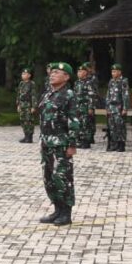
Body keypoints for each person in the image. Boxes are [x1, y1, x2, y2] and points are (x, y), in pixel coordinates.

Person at [37, 62, 80, 226]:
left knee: (63, 178)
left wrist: (72, 144)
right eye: (52, 72)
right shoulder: (48, 94)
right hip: (47, 143)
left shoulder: (69, 95)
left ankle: (66, 213)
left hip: (61, 144)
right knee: (49, 178)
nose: (52, 74)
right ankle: (57, 210)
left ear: (66, 77)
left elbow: (74, 121)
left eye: (57, 72)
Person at [105, 63, 129, 152]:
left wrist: (125, 108)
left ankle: (121, 144)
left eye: (114, 71)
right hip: (111, 107)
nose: (113, 73)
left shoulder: (123, 81)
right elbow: (108, 95)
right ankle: (114, 144)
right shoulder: (111, 81)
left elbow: (125, 96)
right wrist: (107, 107)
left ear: (119, 72)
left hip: (119, 107)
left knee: (120, 126)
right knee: (112, 127)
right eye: (112, 71)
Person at [74, 63, 96, 148]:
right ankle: (79, 140)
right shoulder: (76, 83)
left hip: (85, 106)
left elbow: (91, 95)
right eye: (78, 71)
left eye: (81, 71)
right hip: (77, 107)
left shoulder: (89, 83)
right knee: (78, 123)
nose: (79, 73)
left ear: (85, 72)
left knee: (85, 124)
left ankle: (86, 141)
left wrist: (90, 107)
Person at [16, 67, 37, 143]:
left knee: (29, 120)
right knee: (23, 120)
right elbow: (18, 94)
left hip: (28, 104)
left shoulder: (32, 84)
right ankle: (25, 136)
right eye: (22, 73)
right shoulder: (21, 83)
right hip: (22, 104)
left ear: (29, 75)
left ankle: (29, 137)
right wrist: (18, 104)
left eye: (25, 74)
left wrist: (33, 106)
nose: (23, 75)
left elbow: (33, 95)